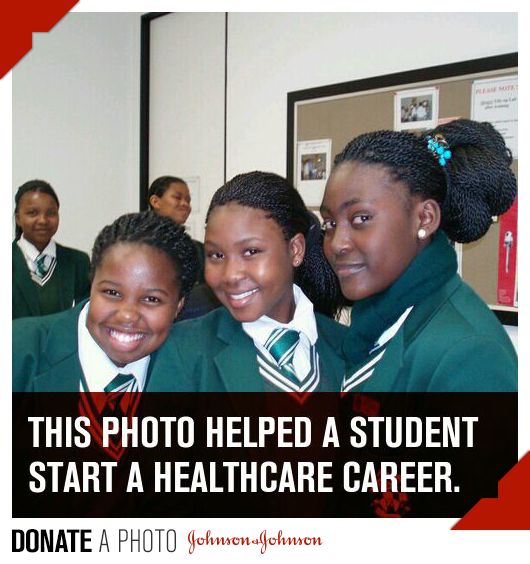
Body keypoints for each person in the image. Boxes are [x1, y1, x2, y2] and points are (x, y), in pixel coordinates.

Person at [320, 119, 517, 392]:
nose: (337, 244)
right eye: (329, 224)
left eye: (361, 218)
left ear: (425, 218)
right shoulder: (380, 318)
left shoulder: (469, 354)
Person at [169, 171, 347, 393]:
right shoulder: (181, 348)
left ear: (295, 250)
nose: (231, 275)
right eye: (216, 255)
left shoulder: (349, 345)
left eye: (251, 251)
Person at [12, 211, 198, 392]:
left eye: (151, 299)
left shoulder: (195, 372)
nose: (127, 315)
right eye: (112, 292)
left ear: (178, 306)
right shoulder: (16, 349)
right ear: (92, 284)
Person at [12, 179, 90, 319]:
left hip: (64, 341)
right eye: (32, 213)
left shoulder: (79, 263)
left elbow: (84, 317)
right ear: (18, 218)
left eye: (51, 213)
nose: (43, 220)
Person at [148, 175, 205, 282]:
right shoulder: (138, 245)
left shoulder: (198, 250)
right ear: (155, 202)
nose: (185, 204)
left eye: (188, 200)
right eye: (177, 198)